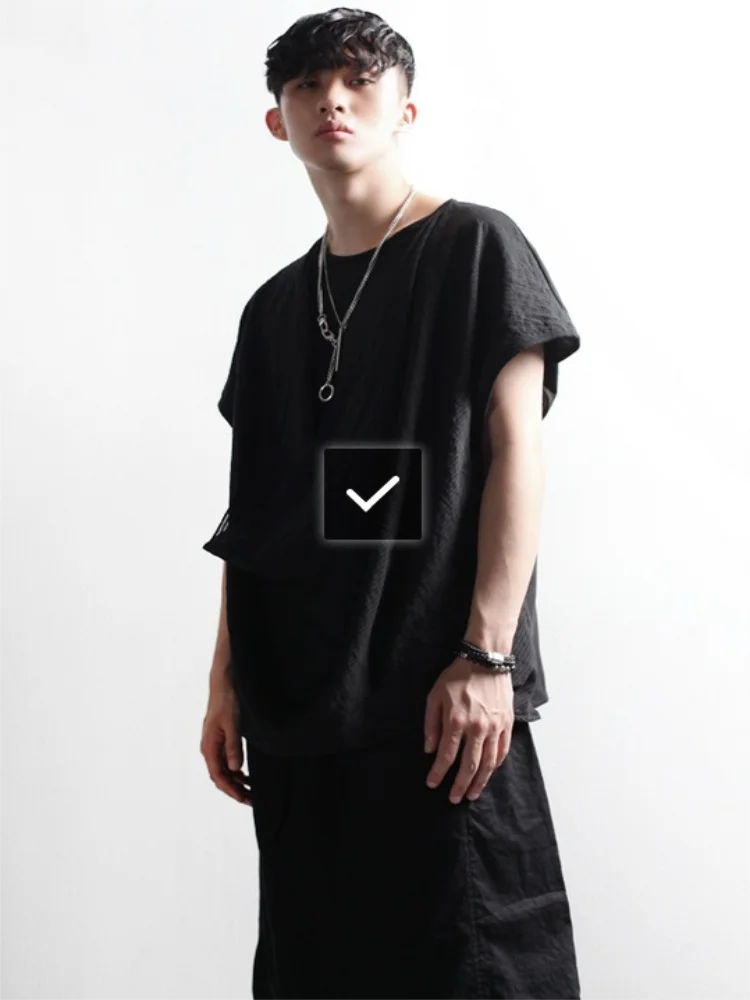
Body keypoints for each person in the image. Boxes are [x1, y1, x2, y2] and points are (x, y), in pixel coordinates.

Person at [199, 8, 583, 999]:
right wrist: (226, 678)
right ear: (278, 120)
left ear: (405, 109)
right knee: (316, 975)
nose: (333, 99)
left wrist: (487, 655)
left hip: (439, 703)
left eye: (358, 81)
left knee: (479, 967)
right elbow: (255, 515)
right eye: (308, 86)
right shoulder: (273, 310)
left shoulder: (477, 248)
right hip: (298, 711)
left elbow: (516, 453)